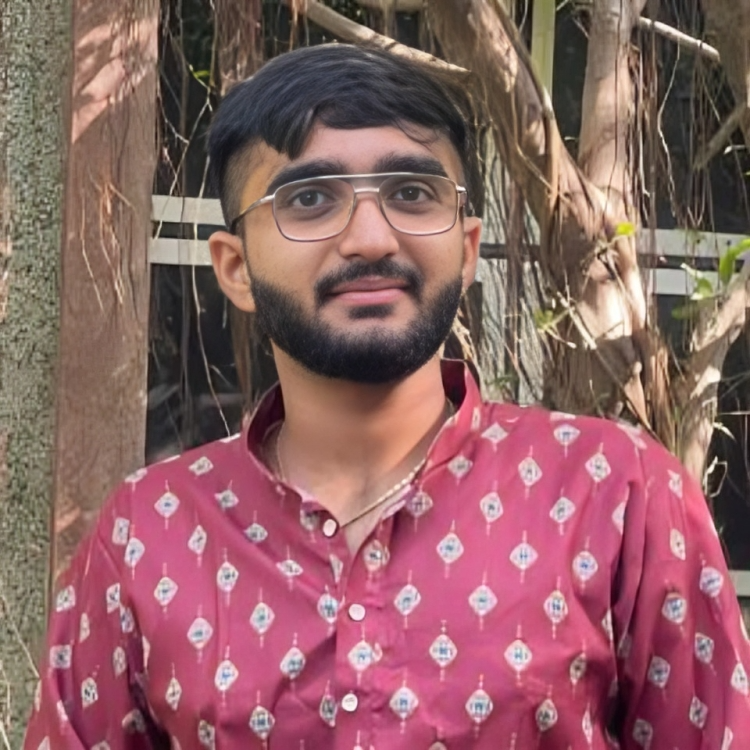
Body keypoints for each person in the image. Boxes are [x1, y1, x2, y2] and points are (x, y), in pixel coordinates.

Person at [24, 43, 750, 750]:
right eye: (310, 199)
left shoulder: (617, 495)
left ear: (467, 250)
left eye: (411, 193)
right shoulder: (148, 533)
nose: (371, 239)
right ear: (236, 268)